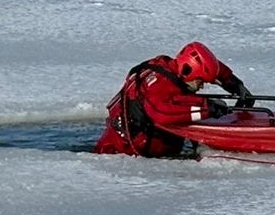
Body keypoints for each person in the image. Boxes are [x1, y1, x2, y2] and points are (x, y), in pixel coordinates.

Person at [95, 42, 253, 157]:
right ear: (188, 72)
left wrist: (234, 85)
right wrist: (207, 108)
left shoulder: (173, 67)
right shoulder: (159, 84)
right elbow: (162, 113)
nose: (202, 86)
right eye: (200, 81)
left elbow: (211, 67)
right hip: (122, 152)